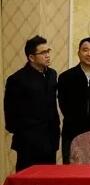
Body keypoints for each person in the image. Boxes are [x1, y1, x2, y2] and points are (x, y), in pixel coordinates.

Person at [4, 35, 60, 171]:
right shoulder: (17, 79)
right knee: (27, 179)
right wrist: (23, 132)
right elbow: (10, 112)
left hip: (50, 139)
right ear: (31, 57)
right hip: (28, 141)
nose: (47, 55)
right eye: (43, 52)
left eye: (48, 51)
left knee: (49, 178)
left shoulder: (52, 74)